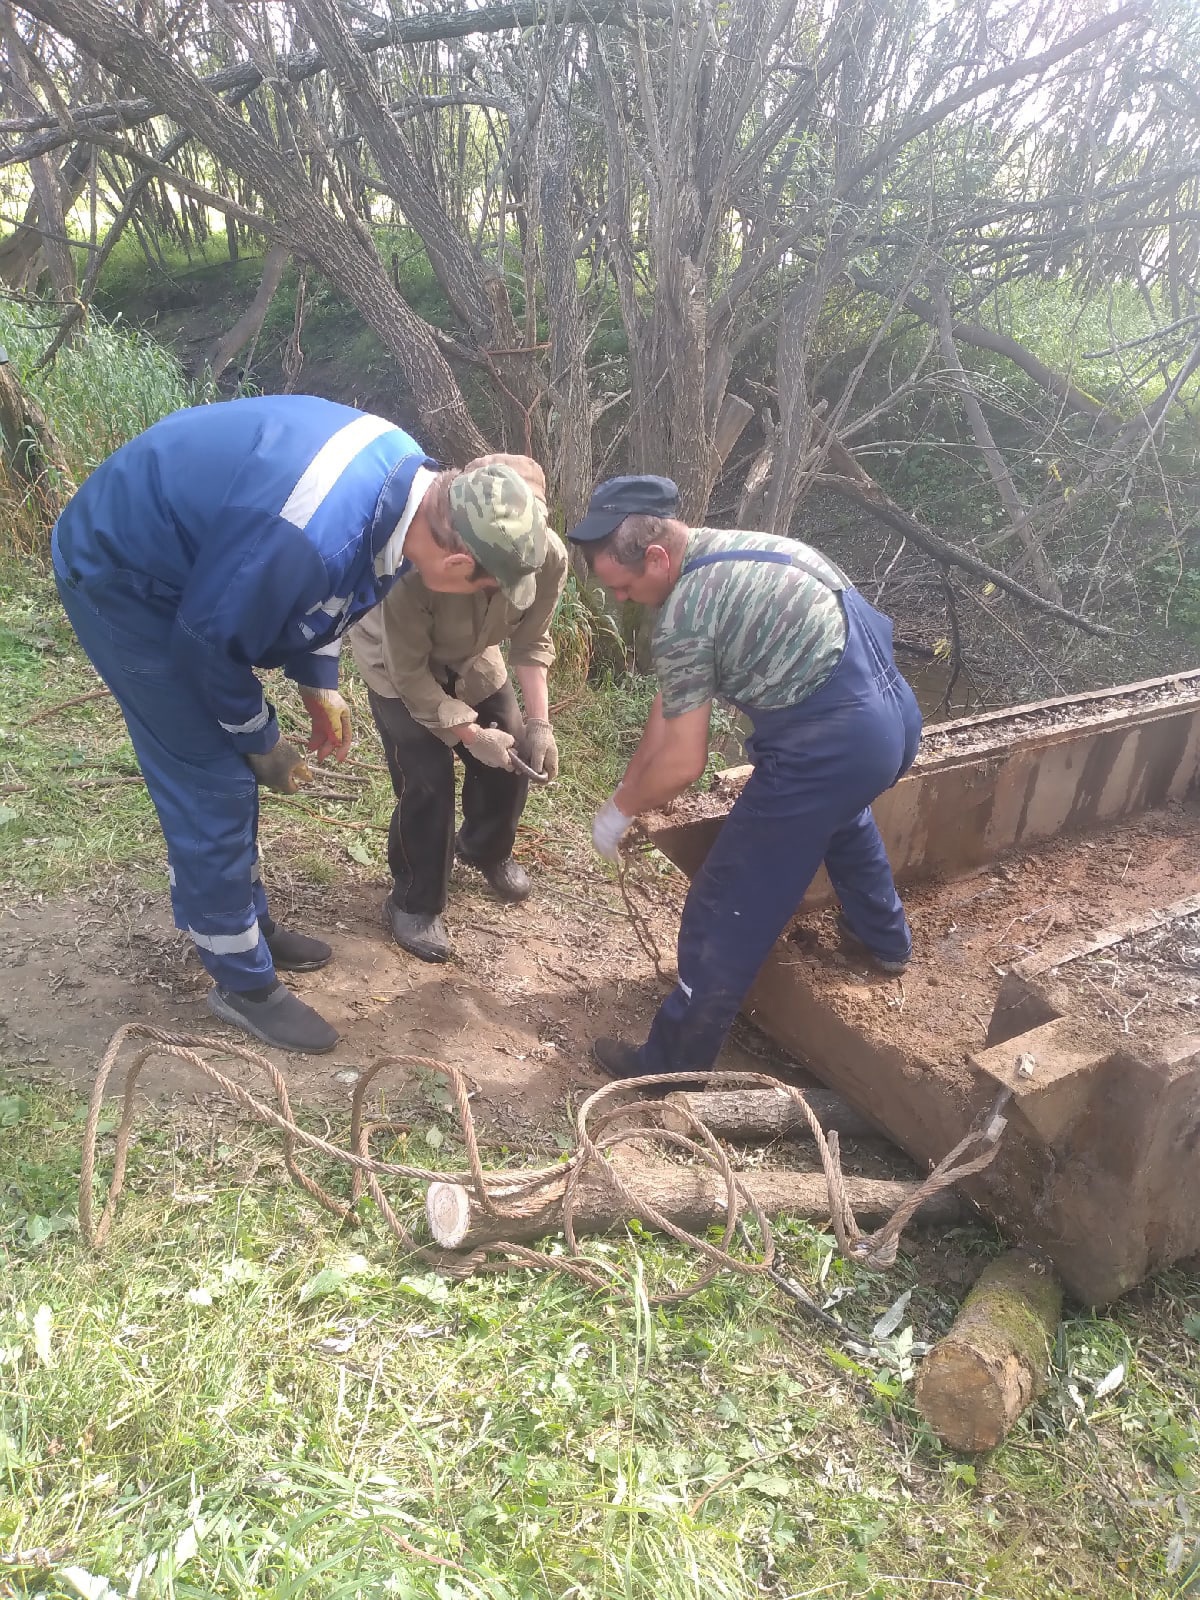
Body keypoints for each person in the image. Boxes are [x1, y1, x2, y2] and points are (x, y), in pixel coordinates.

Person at [51, 395, 547, 1055]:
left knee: (229, 773)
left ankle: (244, 924)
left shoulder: (413, 483)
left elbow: (347, 580)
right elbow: (207, 646)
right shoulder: (307, 534)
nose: (482, 601)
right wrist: (260, 740)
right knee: (214, 780)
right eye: (485, 588)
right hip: (123, 573)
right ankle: (240, 983)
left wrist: (318, 683)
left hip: (208, 560)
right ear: (460, 566)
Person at [567, 473, 922, 1079]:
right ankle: (884, 941)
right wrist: (630, 782)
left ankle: (669, 1066)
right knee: (840, 817)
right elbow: (670, 706)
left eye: (624, 586)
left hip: (830, 745)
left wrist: (619, 811)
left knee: (724, 900)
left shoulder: (686, 611)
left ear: (656, 556)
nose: (621, 600)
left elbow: (685, 761)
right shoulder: (751, 547)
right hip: (893, 722)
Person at [349, 454, 567, 962]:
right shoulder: (412, 574)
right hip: (397, 663)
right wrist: (468, 734)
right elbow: (410, 676)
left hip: (472, 655)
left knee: (513, 749)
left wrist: (539, 723)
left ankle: (484, 848)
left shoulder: (544, 555)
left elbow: (532, 641)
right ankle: (413, 900)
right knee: (427, 778)